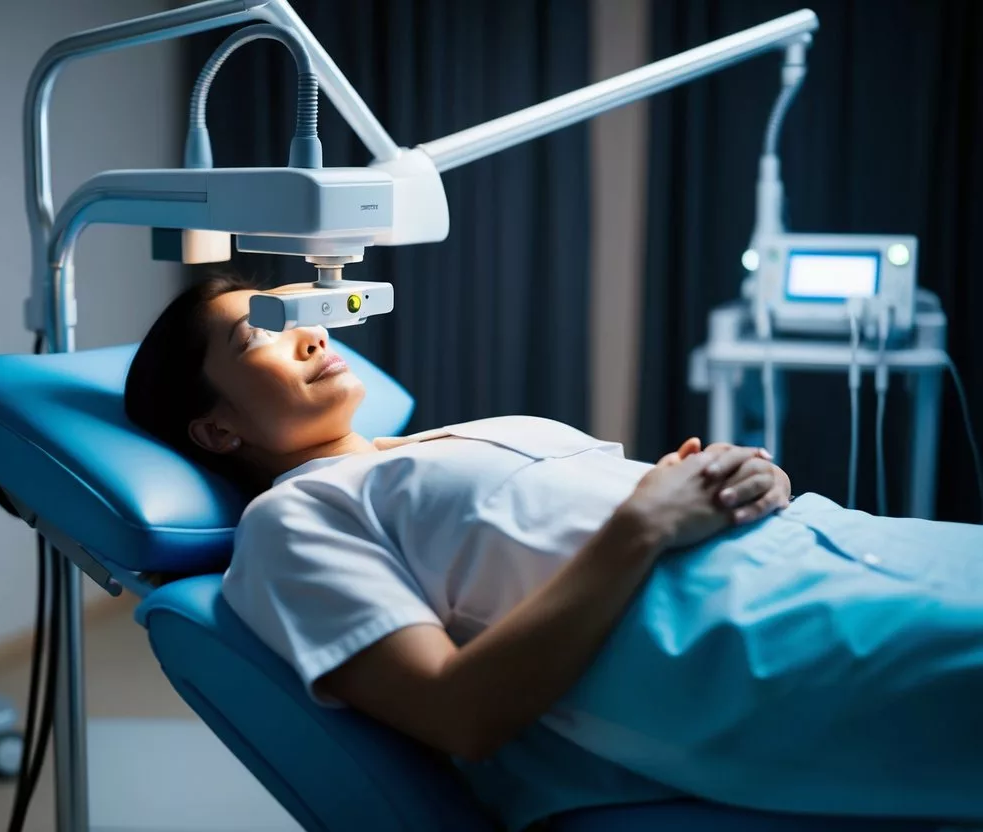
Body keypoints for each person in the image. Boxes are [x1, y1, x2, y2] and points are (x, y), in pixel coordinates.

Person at [125, 270, 983, 831]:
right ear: (217, 427)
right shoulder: (293, 519)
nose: (313, 336)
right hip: (759, 640)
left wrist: (743, 479)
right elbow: (459, 714)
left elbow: (661, 496)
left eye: (301, 316)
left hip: (844, 548)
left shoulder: (472, 432)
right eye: (261, 335)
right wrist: (643, 523)